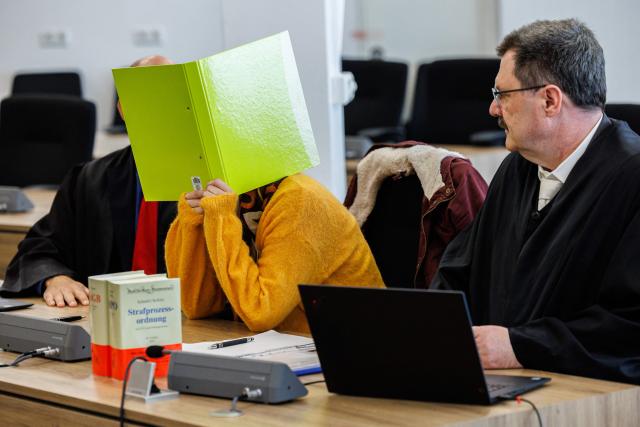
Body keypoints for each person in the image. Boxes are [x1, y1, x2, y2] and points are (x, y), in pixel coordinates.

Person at [432, 18, 640, 384]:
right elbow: (462, 272)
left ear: (549, 100)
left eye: (502, 95)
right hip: (506, 382)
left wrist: (520, 346)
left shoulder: (632, 177)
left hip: (590, 394)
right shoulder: (519, 169)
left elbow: (629, 324)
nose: (493, 110)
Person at [0, 56, 177, 307]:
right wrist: (55, 277)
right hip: (106, 319)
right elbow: (39, 247)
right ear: (123, 109)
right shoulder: (91, 179)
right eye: (147, 94)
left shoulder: (216, 184)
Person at [165, 175, 384, 333]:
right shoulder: (234, 199)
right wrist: (193, 222)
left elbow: (260, 312)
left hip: (356, 351)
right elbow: (197, 306)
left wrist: (222, 217)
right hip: (291, 348)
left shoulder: (301, 199)